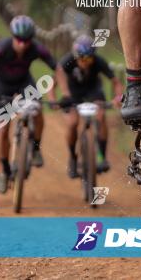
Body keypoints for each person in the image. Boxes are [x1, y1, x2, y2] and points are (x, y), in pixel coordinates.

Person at [0, 15, 57, 193]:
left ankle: (35, 148)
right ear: (13, 36)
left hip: (24, 83)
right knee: (3, 130)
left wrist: (61, 93)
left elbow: (57, 67)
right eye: (18, 39)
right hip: (1, 85)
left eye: (26, 40)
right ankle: (4, 170)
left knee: (37, 110)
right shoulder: (1, 48)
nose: (22, 44)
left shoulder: (36, 49)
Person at [52, 35, 123, 178]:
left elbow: (116, 82)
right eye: (82, 58)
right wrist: (54, 101)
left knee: (101, 115)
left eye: (89, 59)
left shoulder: (98, 61)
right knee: (72, 123)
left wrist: (117, 98)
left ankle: (102, 156)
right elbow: (52, 85)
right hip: (73, 93)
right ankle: (72, 157)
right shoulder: (67, 61)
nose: (85, 62)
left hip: (93, 91)